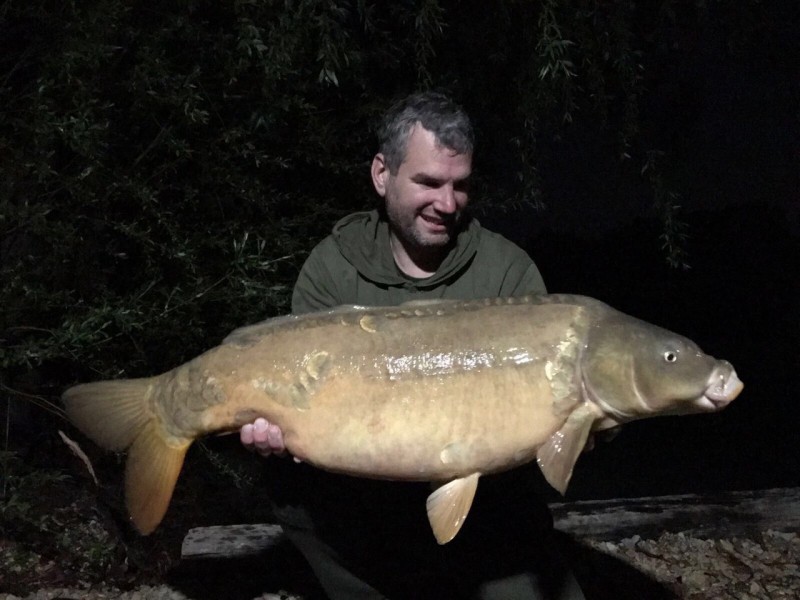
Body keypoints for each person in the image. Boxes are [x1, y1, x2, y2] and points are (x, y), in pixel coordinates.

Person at [240, 91, 586, 599]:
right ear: (382, 175)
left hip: (486, 513)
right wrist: (274, 433)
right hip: (361, 509)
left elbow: (554, 423)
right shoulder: (332, 269)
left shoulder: (507, 271)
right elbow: (302, 400)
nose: (448, 204)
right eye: (428, 182)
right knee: (296, 495)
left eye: (460, 185)